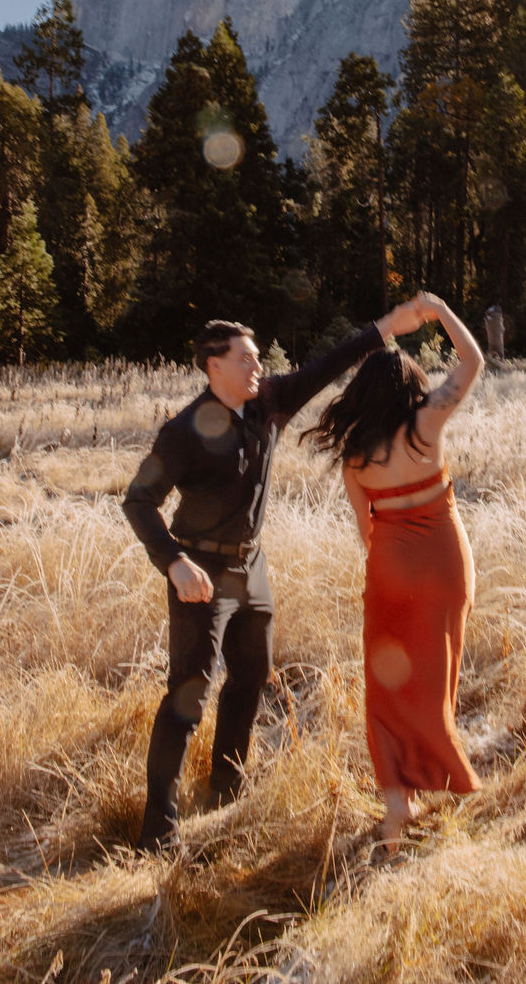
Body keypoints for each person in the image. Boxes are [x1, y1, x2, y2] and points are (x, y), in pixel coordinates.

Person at [122, 300, 426, 853]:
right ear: (214, 366)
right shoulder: (183, 432)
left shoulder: (268, 404)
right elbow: (138, 500)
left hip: (251, 567)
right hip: (200, 570)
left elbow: (325, 366)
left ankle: (226, 791)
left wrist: (384, 328)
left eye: (258, 358)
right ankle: (156, 828)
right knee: (187, 695)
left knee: (251, 678)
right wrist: (173, 561)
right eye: (245, 359)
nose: (257, 367)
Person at [304, 293, 484, 851]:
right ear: (410, 386)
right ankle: (438, 772)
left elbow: (367, 530)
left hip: (388, 569)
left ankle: (396, 805)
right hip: (442, 562)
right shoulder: (425, 426)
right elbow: (473, 361)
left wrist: (389, 572)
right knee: (436, 674)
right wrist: (440, 310)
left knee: (388, 685)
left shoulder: (356, 454)